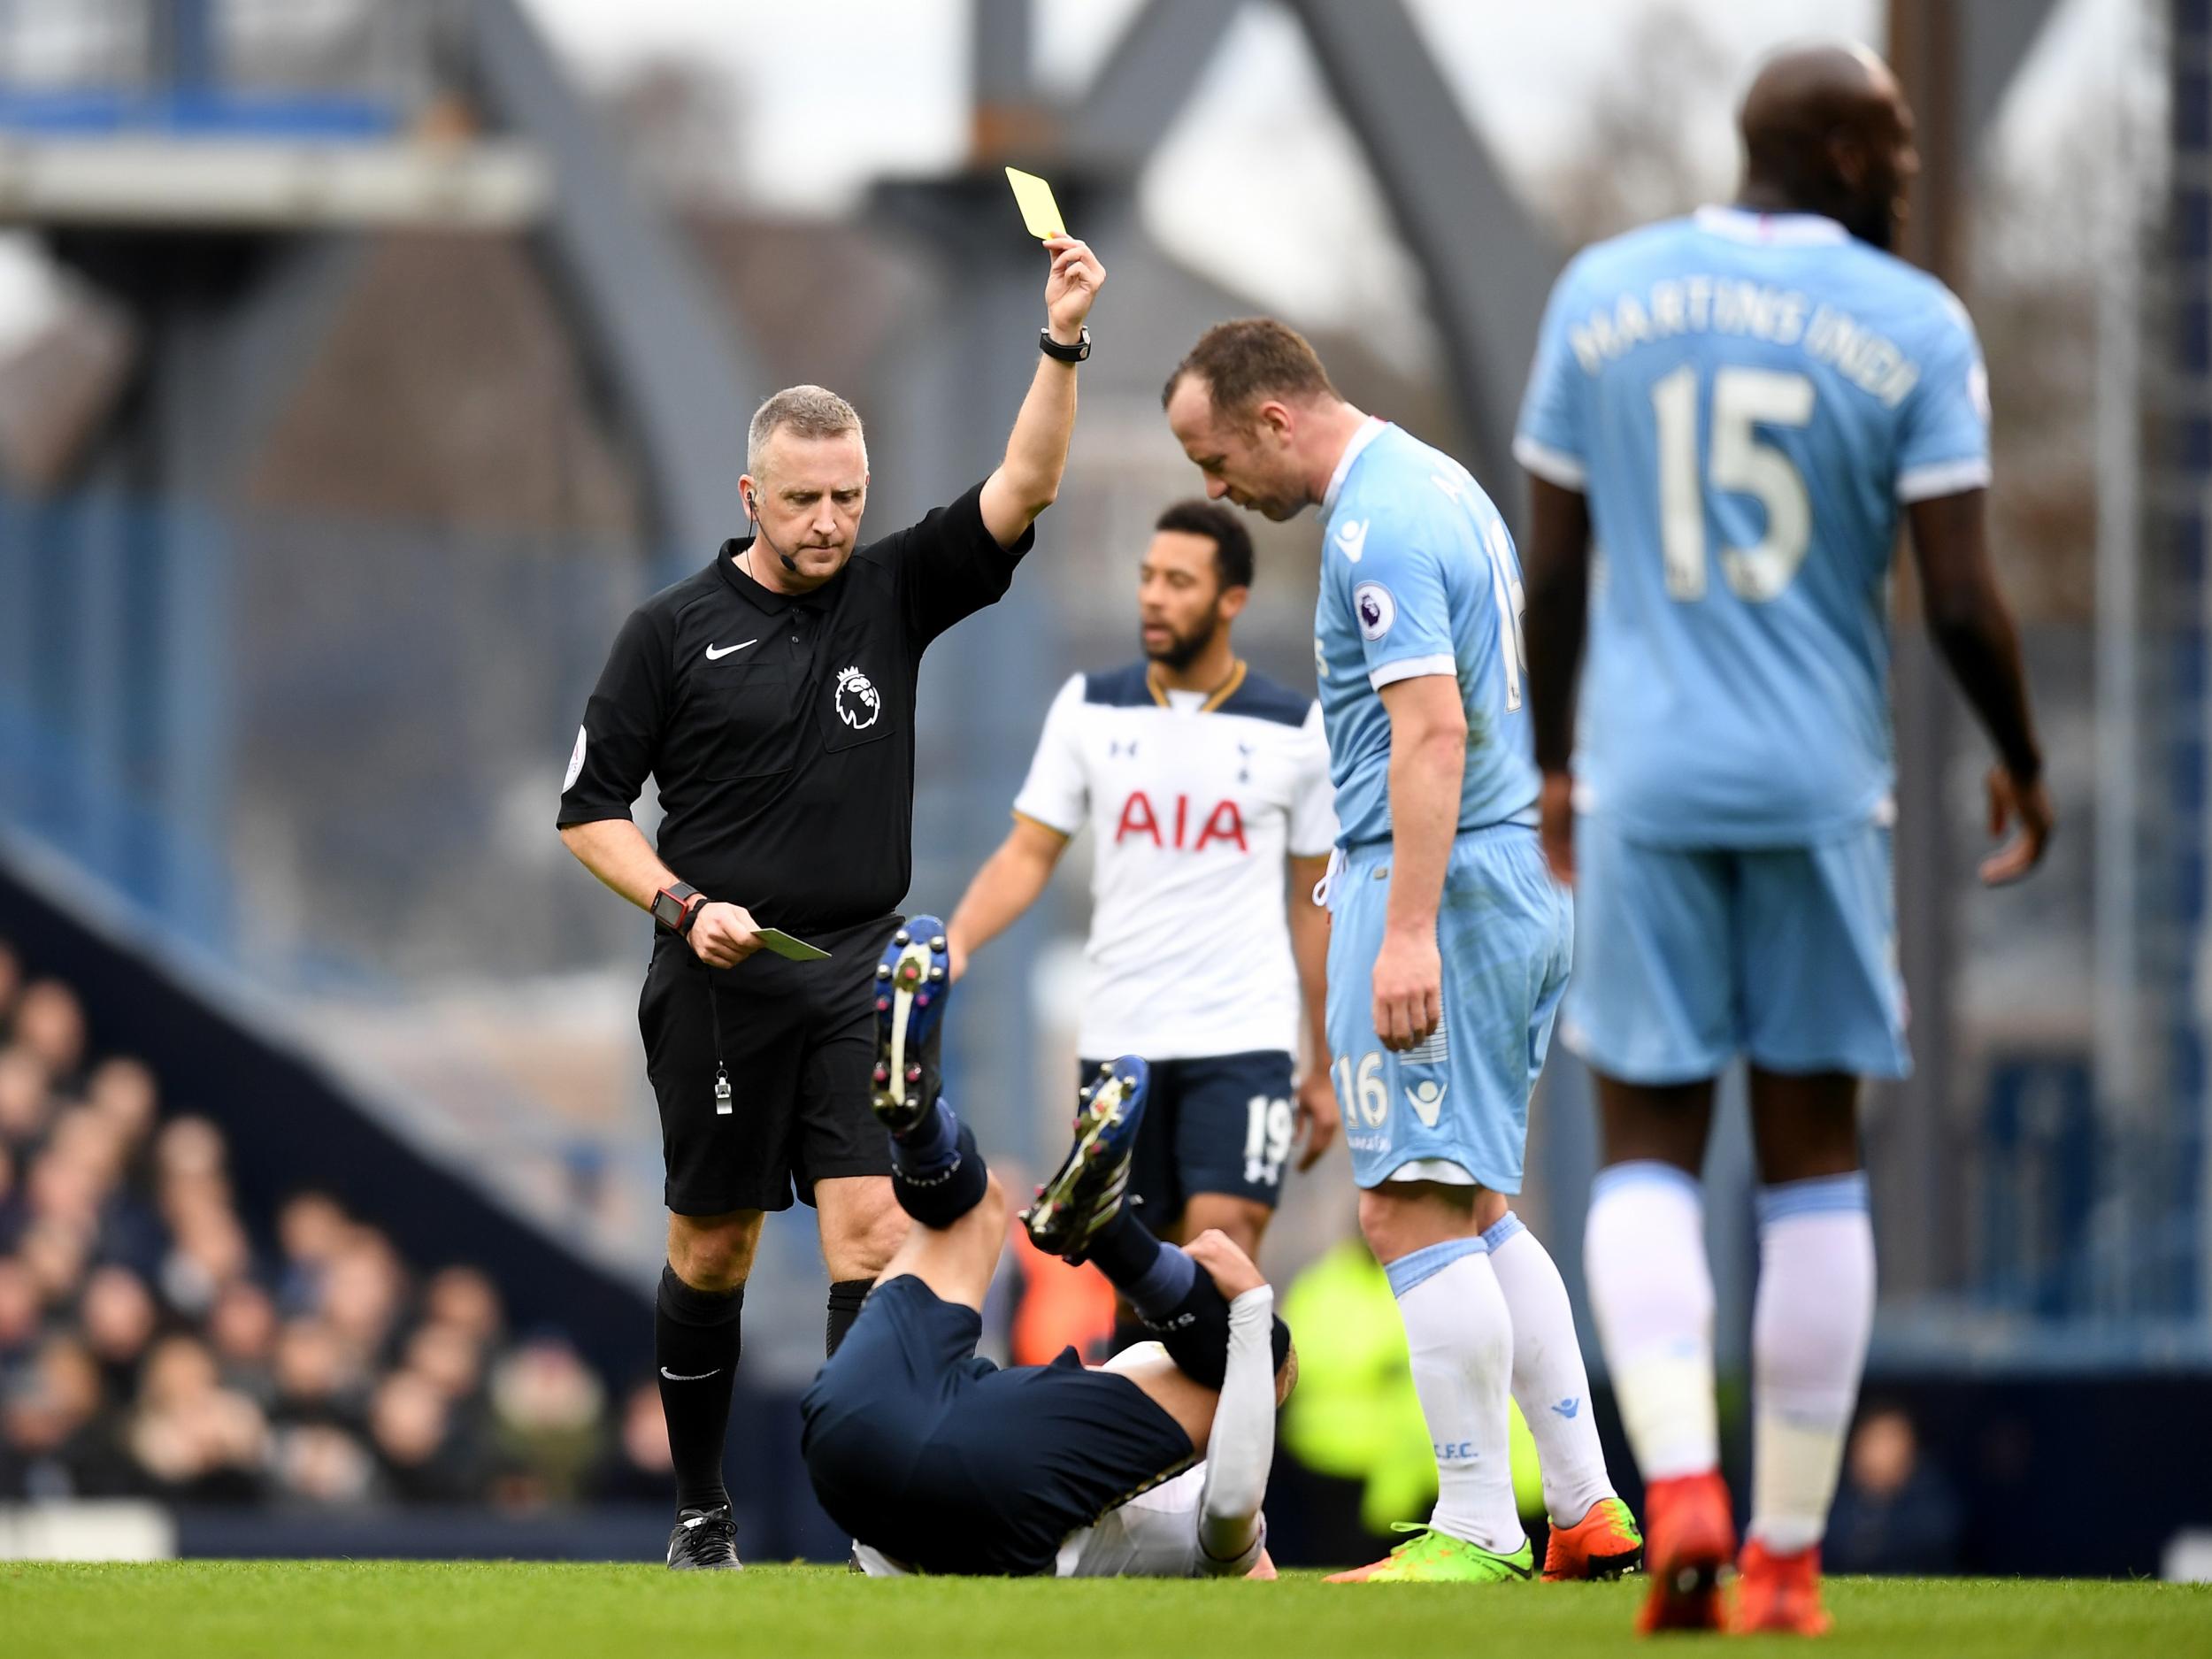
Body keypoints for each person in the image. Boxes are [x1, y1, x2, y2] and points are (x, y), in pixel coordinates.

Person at [1514, 42, 2052, 1636]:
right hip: (1822, 791)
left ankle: (1677, 1483)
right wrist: (2023, 756)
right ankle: (1787, 1559)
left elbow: (1557, 572)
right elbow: (1956, 593)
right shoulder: (1913, 321)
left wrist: (1553, 763)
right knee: (1816, 1163)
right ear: (1822, 149)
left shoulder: (1600, 294)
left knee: (1650, 1150)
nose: (1903, 165)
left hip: (1647, 784)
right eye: (1886, 142)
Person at [557, 234, 1108, 1569]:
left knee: (873, 1224)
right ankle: (701, 1513)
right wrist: (686, 905)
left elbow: (1027, 482)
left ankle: (873, 1527)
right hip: (718, 975)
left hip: (859, 969)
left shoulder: (895, 587)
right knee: (716, 1246)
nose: (828, 523)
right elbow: (585, 814)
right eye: (804, 499)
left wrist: (1063, 338)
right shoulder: (670, 632)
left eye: (848, 497)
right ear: (753, 492)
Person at [1162, 321, 1638, 1584]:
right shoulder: (1442, 483)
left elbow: (1432, 735)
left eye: (1216, 458)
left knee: (1402, 1203)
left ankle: (1480, 1523)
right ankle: (1587, 1508)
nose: (1218, 491)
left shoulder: (1378, 523)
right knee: (1477, 1202)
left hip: (1445, 881)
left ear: (1273, 419)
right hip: (1511, 879)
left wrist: (1408, 924)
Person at [799, 917, 1288, 1578]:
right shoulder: (1114, 1423)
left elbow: (1233, 1500)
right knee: (982, 1209)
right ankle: (941, 1142)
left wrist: (1255, 1304)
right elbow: (1234, 1497)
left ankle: (925, 1137)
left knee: (975, 1212)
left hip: (850, 1426)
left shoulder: (1179, 1444)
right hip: (889, 1482)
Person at [945, 499, 1339, 1266]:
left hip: (1244, 1035)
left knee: (1221, 1243)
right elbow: (1028, 854)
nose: (1155, 596)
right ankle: (1147, 1386)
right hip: (1122, 1037)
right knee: (1136, 1273)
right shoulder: (1090, 708)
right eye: (1148, 577)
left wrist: (1321, 1061)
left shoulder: (1297, 730)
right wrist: (959, 941)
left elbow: (1313, 902)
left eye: (1180, 581)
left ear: (1232, 601)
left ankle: (1236, 1385)